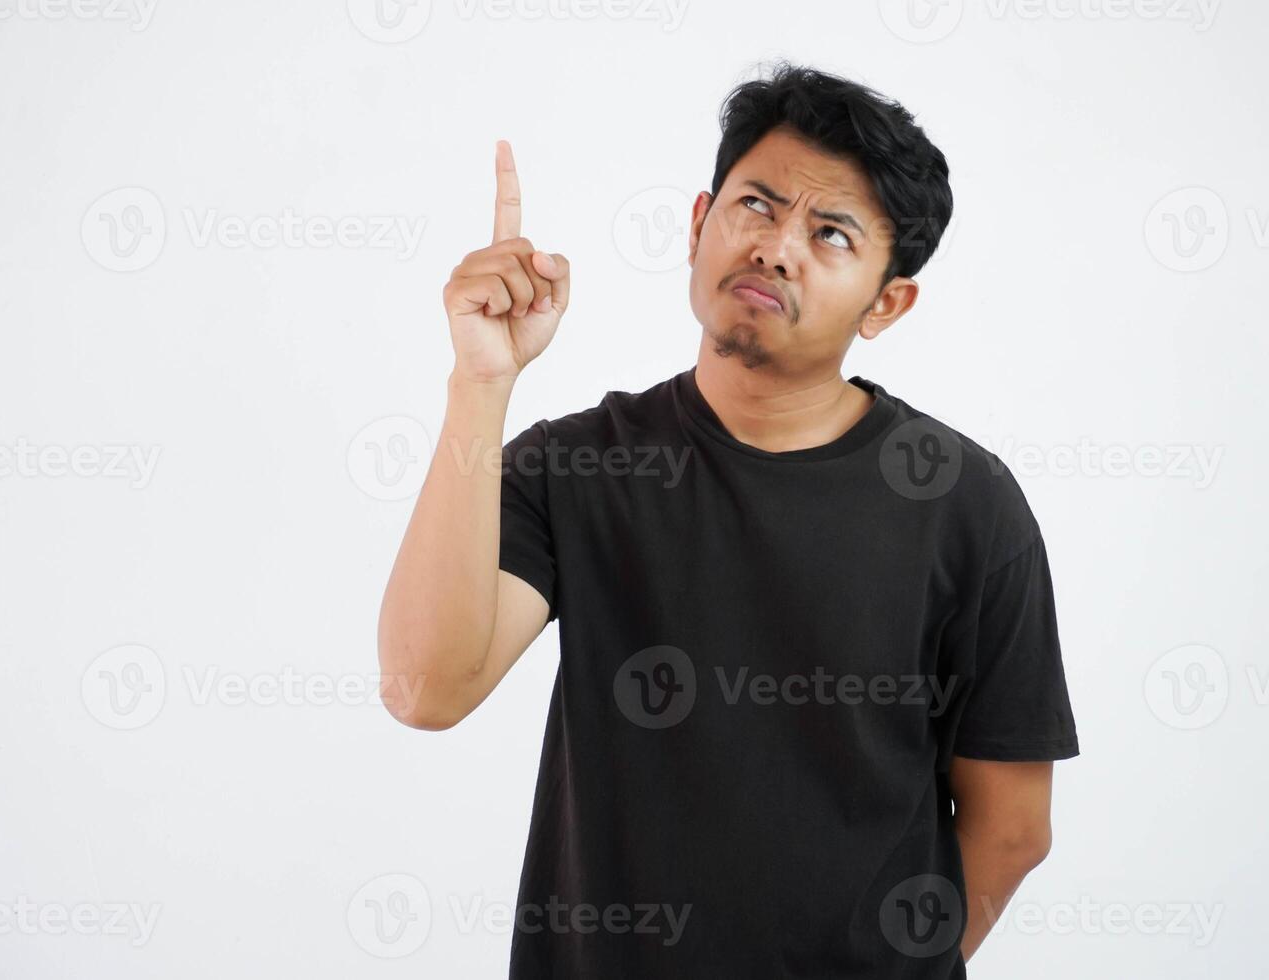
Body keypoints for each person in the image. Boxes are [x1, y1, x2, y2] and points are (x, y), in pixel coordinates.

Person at [377, 61, 1079, 978]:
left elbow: (1013, 830)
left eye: (830, 234)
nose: (777, 247)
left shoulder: (962, 502)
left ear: (887, 303)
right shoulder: (582, 465)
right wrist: (481, 382)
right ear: (702, 223)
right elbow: (427, 688)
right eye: (758, 205)